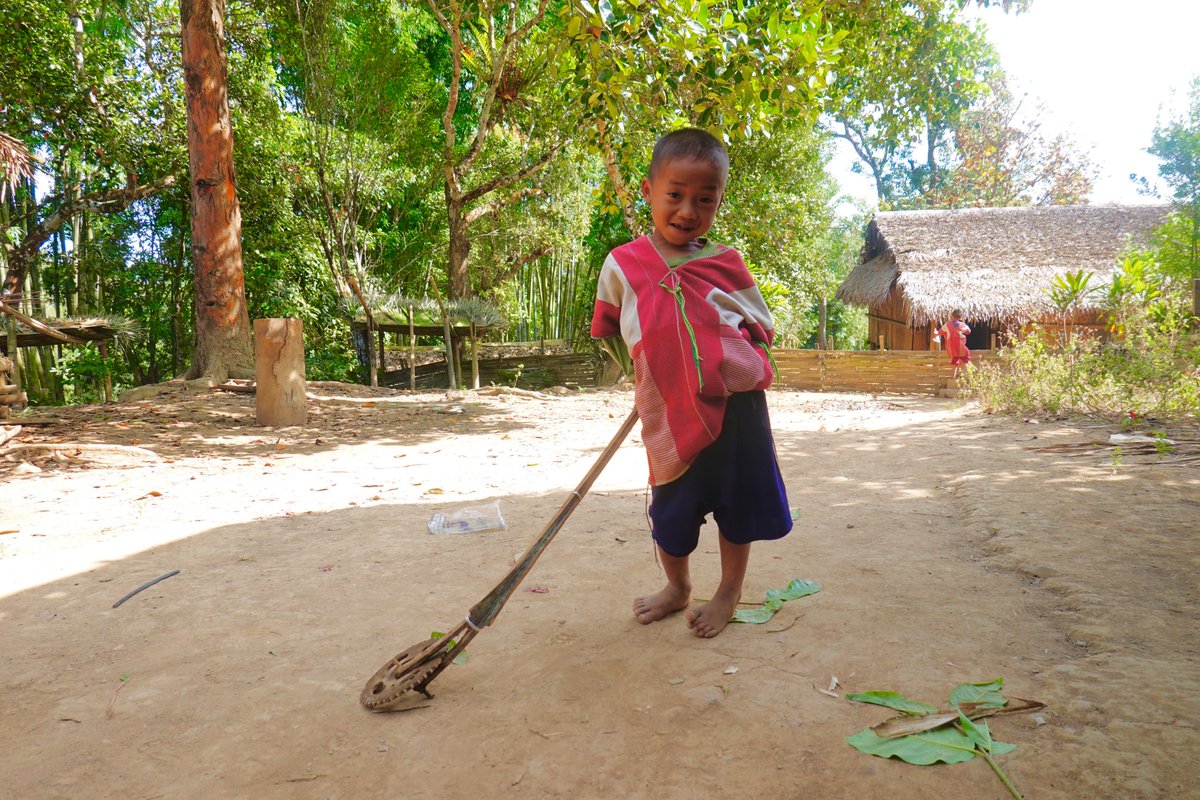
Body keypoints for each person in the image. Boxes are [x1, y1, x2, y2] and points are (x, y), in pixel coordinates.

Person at [590, 128, 792, 638]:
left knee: (737, 504)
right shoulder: (623, 265)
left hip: (737, 411)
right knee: (671, 511)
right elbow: (616, 330)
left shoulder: (727, 263)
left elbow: (759, 327)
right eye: (675, 195)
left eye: (705, 199)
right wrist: (654, 376)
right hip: (667, 410)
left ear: (719, 199)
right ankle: (677, 587)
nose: (688, 210)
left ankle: (727, 592)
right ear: (647, 191)